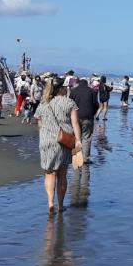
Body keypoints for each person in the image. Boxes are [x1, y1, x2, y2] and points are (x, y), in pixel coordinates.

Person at [37, 77, 80, 214]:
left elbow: (39, 123)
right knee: (62, 174)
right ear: (62, 89)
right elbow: (75, 123)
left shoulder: (43, 103)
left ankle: (50, 204)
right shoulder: (69, 102)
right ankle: (60, 205)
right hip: (64, 141)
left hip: (46, 142)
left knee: (49, 174)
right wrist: (78, 140)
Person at [68, 73, 99, 167]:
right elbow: (96, 105)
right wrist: (92, 114)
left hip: (75, 117)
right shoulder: (92, 91)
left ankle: (76, 157)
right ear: (87, 84)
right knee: (87, 138)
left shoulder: (73, 91)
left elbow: (69, 104)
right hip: (88, 117)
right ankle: (85, 158)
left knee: (76, 137)